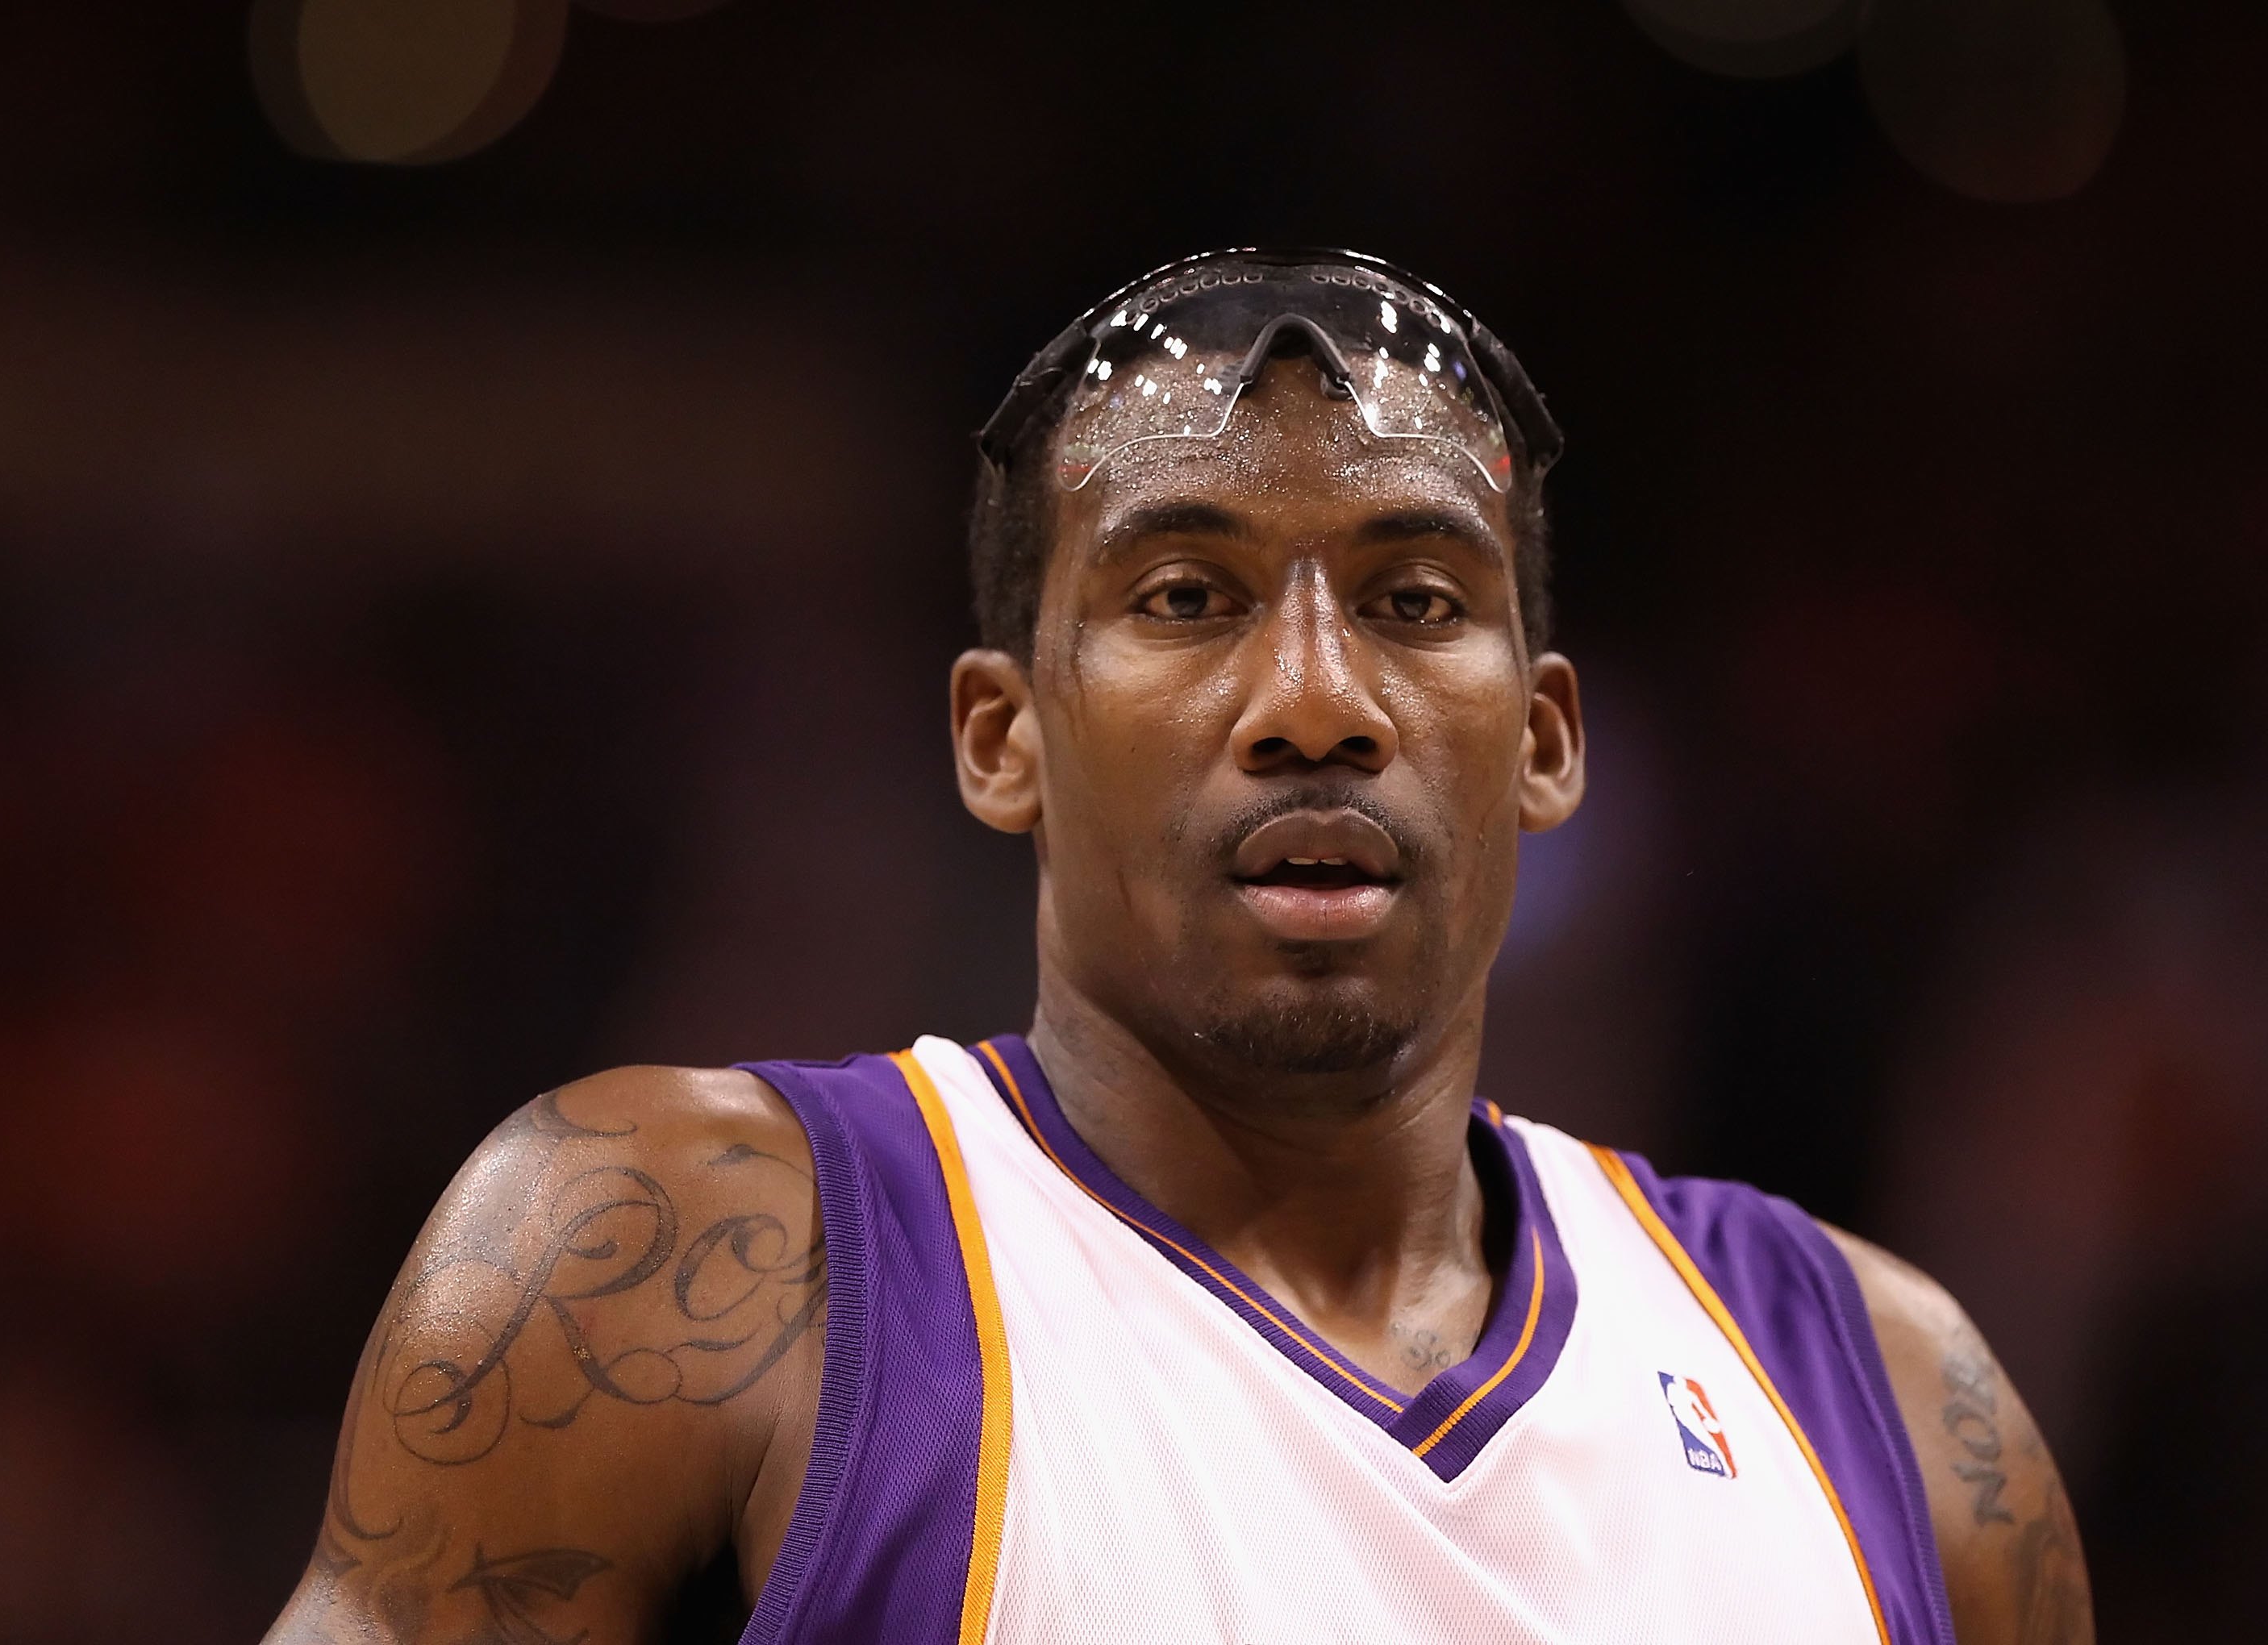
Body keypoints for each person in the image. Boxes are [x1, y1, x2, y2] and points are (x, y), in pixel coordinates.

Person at [267, 249, 2091, 1644]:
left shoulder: (1899, 1407)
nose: (1315, 699)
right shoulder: (671, 1260)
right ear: (1005, 738)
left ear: (1543, 740)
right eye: (1186, 597)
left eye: (1415, 601)